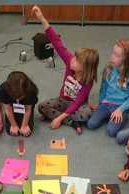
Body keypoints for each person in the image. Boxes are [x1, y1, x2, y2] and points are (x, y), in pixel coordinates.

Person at [32, 5, 99, 135]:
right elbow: (56, 42)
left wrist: (58, 118)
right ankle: (72, 122)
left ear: (85, 68)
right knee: (41, 106)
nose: (72, 59)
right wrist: (42, 19)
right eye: (74, 57)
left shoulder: (88, 81)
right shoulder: (69, 61)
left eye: (77, 60)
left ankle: (58, 116)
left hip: (78, 105)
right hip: (62, 100)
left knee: (86, 114)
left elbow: (77, 102)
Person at [86, 38, 129, 142]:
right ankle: (108, 116)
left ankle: (122, 117)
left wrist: (120, 110)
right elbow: (103, 88)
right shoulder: (109, 69)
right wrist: (100, 103)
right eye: (113, 53)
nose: (112, 57)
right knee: (91, 124)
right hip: (106, 103)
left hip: (121, 107)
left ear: (127, 59)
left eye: (117, 55)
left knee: (111, 131)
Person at [0, 71, 39, 137]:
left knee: (27, 131)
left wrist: (24, 125)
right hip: (11, 105)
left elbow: (28, 110)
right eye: (16, 97)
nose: (18, 99)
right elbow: (8, 108)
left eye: (20, 97)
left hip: (26, 105)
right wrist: (13, 125)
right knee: (10, 130)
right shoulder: (3, 90)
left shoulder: (31, 90)